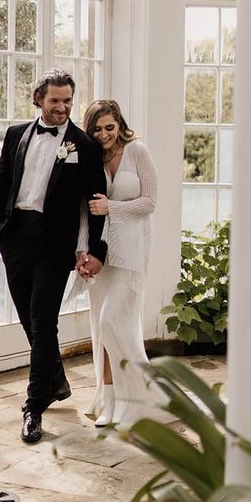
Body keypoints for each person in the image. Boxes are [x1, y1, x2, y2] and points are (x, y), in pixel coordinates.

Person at [0, 69, 107, 444]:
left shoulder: (84, 146)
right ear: (37, 99)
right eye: (55, 100)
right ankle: (55, 379)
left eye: (68, 101)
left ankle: (33, 407)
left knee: (43, 322)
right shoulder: (15, 135)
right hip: (16, 237)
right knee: (29, 318)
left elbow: (95, 204)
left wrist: (95, 250)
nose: (62, 108)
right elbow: (2, 183)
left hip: (55, 245)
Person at [75, 100, 164, 427]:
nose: (104, 135)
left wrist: (113, 207)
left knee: (115, 322)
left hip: (133, 253)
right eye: (97, 130)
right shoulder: (91, 157)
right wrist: (82, 250)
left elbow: (150, 202)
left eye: (109, 128)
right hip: (102, 254)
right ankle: (109, 400)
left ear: (120, 124)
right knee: (103, 328)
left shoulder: (138, 151)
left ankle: (135, 401)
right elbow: (86, 209)